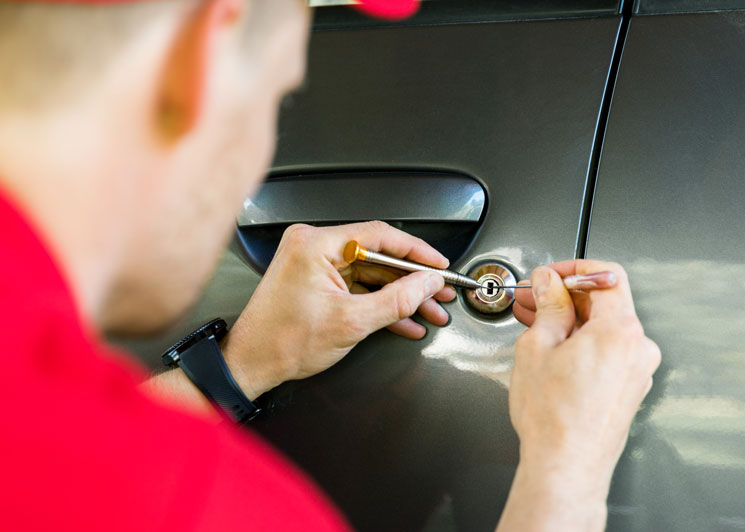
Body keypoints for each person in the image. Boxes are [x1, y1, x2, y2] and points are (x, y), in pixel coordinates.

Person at [0, 0, 661, 530]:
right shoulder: (209, 504)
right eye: (275, 98)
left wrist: (242, 363)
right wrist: (568, 468)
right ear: (199, 58)